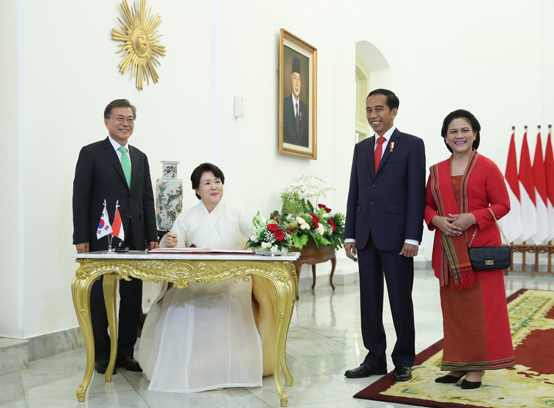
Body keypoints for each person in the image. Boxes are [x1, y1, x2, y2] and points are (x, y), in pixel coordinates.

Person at [138, 163, 277, 392]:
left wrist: (270, 233)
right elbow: (175, 241)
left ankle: (226, 368)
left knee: (224, 299)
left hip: (230, 281)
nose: (214, 187)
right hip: (195, 281)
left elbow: (260, 231)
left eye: (218, 181)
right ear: (197, 190)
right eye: (207, 183)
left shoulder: (237, 212)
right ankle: (190, 368)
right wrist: (169, 241)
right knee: (181, 305)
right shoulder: (187, 216)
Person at [424, 109, 515, 389]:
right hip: (448, 252)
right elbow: (426, 206)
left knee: (482, 312)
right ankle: (456, 365)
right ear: (445, 137)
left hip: (480, 251)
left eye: (465, 130)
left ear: (475, 134)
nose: (459, 136)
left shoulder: (487, 167)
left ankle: (477, 368)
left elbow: (503, 204)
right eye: (453, 131)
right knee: (454, 312)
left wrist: (473, 217)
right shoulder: (436, 171)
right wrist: (436, 219)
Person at [344, 89, 426, 382]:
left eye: (379, 109)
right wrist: (349, 234)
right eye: (368, 110)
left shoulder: (412, 145)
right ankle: (374, 358)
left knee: (400, 300)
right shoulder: (362, 148)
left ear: (393, 112)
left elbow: (417, 193)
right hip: (365, 235)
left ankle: (403, 359)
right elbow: (356, 191)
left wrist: (412, 237)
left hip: (397, 238)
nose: (373, 115)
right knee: (369, 299)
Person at [72, 99, 159, 374]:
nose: (125, 124)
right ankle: (101, 353)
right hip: (102, 236)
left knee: (132, 297)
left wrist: (151, 235)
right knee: (98, 295)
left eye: (130, 119)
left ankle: (125, 353)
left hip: (135, 237)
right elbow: (81, 197)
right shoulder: (91, 153)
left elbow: (147, 199)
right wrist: (81, 236)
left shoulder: (140, 157)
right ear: (107, 121)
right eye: (120, 118)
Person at [283, 57, 309, 147]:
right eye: (295, 78)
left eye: (299, 79)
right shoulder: (284, 104)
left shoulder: (304, 108)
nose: (297, 83)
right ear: (291, 82)